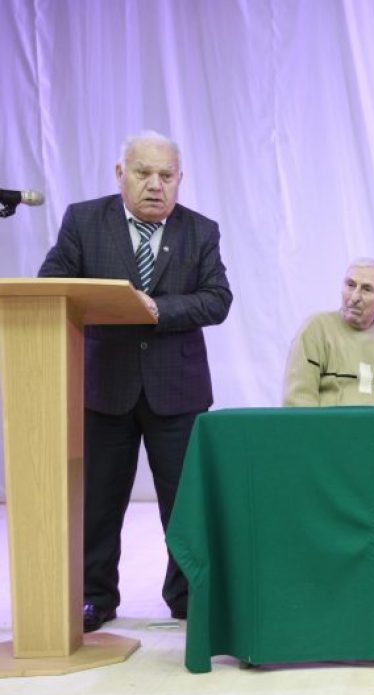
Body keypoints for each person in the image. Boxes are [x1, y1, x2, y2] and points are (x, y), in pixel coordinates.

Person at [38, 130, 233, 632]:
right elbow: (51, 284)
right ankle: (94, 597)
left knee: (185, 503)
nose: (155, 185)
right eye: (144, 173)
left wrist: (157, 309)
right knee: (99, 503)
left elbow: (217, 299)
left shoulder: (200, 230)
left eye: (166, 175)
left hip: (178, 391)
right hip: (104, 387)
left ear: (180, 179)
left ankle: (188, 597)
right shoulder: (84, 221)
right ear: (120, 174)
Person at [282, 258, 374, 406]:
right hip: (329, 421)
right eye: (350, 285)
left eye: (367, 289)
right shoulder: (316, 330)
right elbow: (298, 401)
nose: (354, 297)